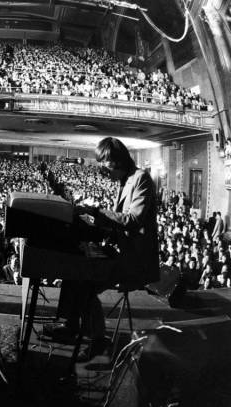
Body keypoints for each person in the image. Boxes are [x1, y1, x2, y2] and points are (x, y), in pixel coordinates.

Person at [46, 137, 159, 361]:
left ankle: (96, 339)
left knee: (85, 283)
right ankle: (70, 324)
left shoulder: (141, 179)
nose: (104, 172)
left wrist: (98, 212)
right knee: (74, 270)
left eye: (105, 165)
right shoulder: (124, 180)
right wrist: (91, 221)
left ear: (115, 161)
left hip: (134, 261)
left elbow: (133, 221)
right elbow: (118, 224)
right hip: (122, 252)